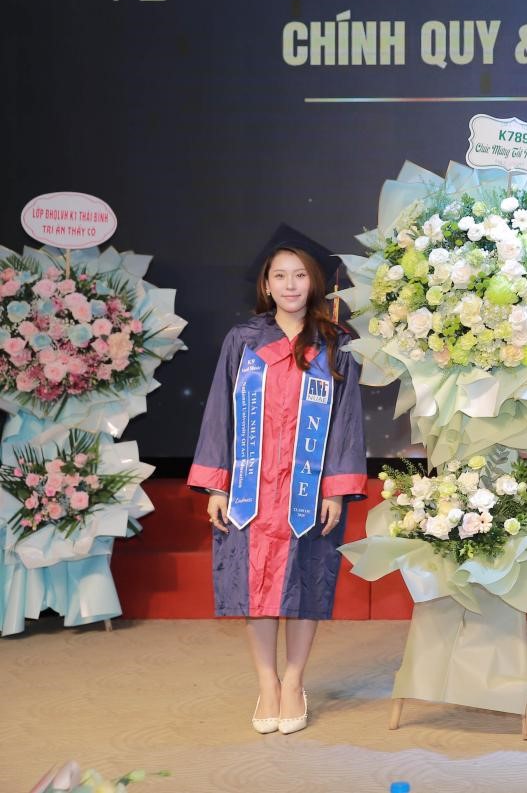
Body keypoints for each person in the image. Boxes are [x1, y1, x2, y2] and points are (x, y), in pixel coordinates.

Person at [188, 228, 368, 736]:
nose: (290, 285)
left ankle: (294, 682)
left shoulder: (335, 344)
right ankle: (267, 683)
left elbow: (347, 421)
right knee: (255, 587)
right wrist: (217, 485)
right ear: (266, 284)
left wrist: (336, 489)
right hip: (251, 488)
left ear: (314, 283)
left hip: (308, 489)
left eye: (300, 276)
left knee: (305, 583)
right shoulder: (243, 341)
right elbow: (219, 413)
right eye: (280, 276)